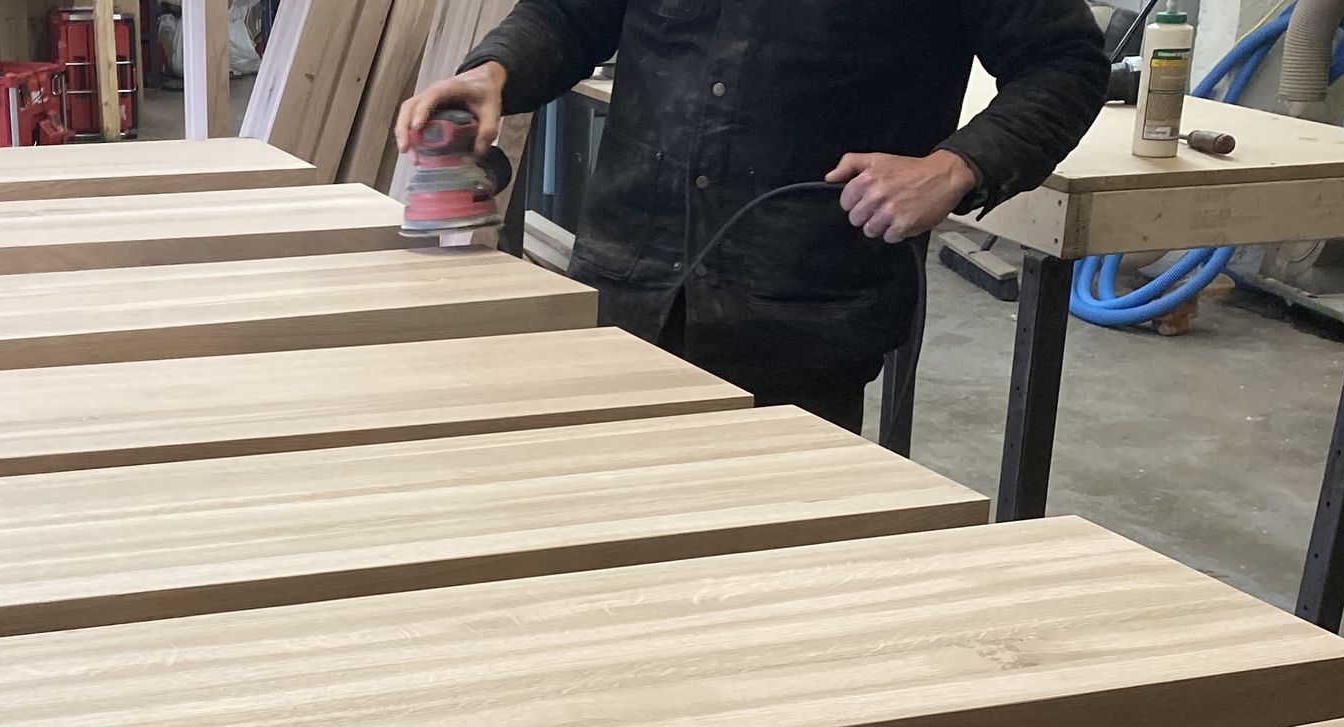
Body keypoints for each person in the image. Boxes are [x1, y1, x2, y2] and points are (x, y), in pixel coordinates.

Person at [396, 1, 1109, 432]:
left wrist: (954, 168)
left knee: (762, 599)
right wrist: (495, 70)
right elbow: (571, 13)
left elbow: (1066, 64)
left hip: (800, 315)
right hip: (627, 286)